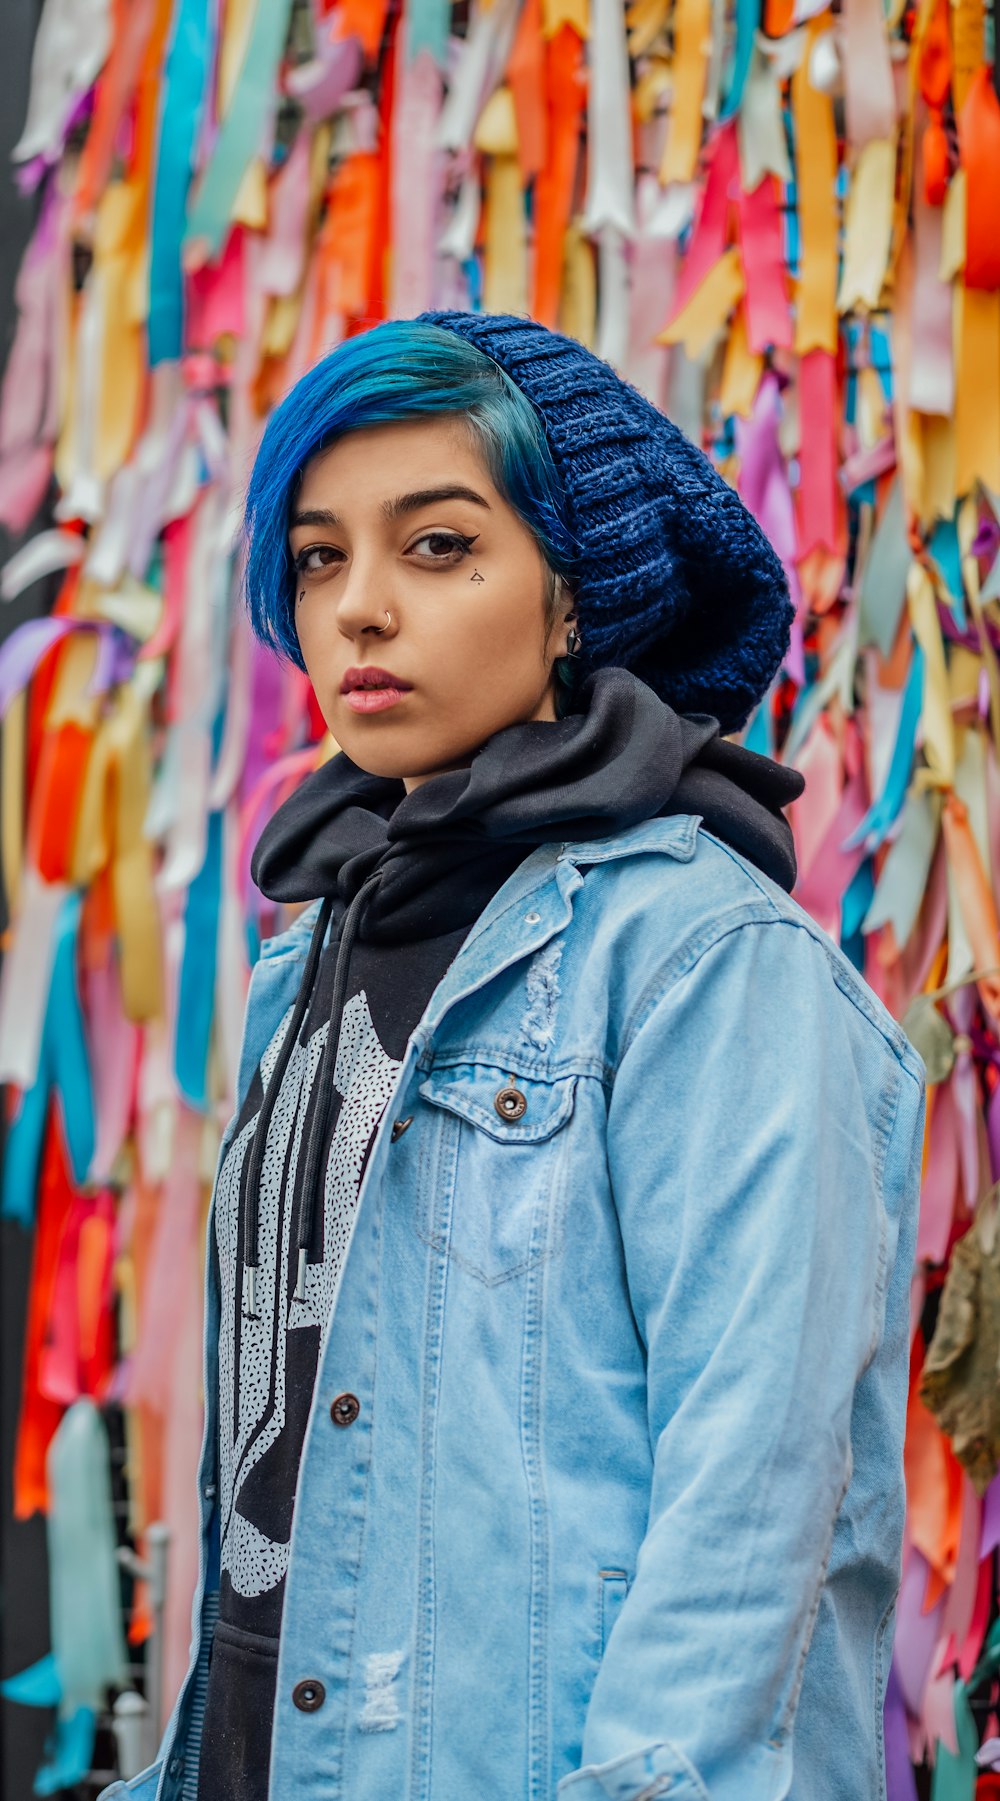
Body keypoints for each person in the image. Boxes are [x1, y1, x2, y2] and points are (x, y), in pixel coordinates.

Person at [102, 314, 925, 1801]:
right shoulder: (310, 956)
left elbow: (750, 1523)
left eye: (435, 547)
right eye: (319, 556)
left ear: (571, 601)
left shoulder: (700, 963)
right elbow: (273, 1490)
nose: (357, 608)